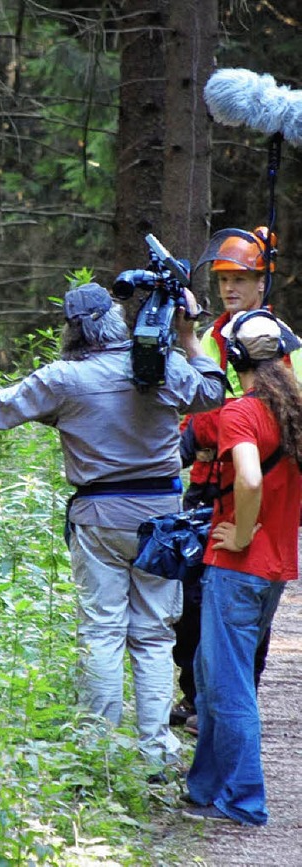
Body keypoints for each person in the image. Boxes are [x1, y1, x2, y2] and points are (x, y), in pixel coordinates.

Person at [0, 282, 225, 776]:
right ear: (115, 321)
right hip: (162, 517)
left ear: (72, 330)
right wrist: (189, 336)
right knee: (154, 635)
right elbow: (213, 393)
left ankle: (98, 752)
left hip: (99, 517)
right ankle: (156, 753)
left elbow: (2, 405)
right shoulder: (160, 365)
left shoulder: (64, 377)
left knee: (102, 632)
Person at [171, 227, 302, 733]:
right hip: (204, 480)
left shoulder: (278, 341)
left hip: (253, 484)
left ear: (262, 282)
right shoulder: (210, 336)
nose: (230, 288)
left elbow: (282, 413)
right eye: (224, 278)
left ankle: (234, 697)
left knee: (244, 596)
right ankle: (196, 696)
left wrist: (227, 429)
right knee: (193, 598)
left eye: (242, 278)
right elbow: (195, 396)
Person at [182, 309, 302, 825]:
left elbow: (249, 479)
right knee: (212, 678)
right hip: (273, 570)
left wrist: (245, 528)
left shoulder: (243, 414)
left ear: (233, 360)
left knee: (228, 686)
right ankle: (205, 785)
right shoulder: (293, 411)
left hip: (237, 566)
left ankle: (245, 798)